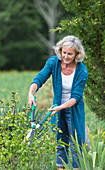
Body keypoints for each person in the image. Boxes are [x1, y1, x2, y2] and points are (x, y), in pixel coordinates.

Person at [28, 35, 88, 170]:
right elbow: (40, 78)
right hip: (58, 108)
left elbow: (76, 97)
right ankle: (60, 168)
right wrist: (31, 93)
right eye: (64, 52)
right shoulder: (53, 63)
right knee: (60, 142)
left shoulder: (82, 70)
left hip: (73, 110)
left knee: (76, 145)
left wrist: (61, 107)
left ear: (77, 54)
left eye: (70, 54)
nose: (66, 56)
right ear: (60, 50)